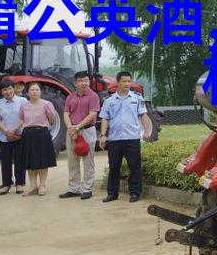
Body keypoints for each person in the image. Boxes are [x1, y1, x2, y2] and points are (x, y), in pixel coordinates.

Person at [99, 71, 150, 203]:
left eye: (129, 81)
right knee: (114, 167)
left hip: (131, 138)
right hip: (114, 139)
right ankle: (112, 193)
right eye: (124, 81)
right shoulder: (109, 100)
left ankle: (135, 193)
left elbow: (143, 115)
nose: (127, 84)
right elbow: (105, 118)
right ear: (118, 83)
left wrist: (146, 131)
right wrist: (103, 135)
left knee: (134, 166)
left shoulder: (137, 98)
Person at [60, 71, 100, 200]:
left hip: (87, 130)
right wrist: (70, 128)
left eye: (86, 80)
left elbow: (93, 114)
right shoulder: (70, 97)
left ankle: (87, 189)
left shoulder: (93, 96)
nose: (84, 83)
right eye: (81, 81)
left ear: (89, 81)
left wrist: (77, 127)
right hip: (72, 131)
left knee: (88, 161)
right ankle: (74, 188)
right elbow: (66, 114)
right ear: (75, 83)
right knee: (72, 161)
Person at [18, 83, 58, 195]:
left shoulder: (47, 104)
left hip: (42, 134)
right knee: (29, 161)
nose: (34, 92)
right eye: (32, 90)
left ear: (40, 92)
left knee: (42, 161)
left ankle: (42, 185)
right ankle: (33, 186)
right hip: (28, 134)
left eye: (37, 89)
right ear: (28, 92)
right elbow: (21, 118)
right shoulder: (24, 105)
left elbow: (52, 118)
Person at [0, 78, 26, 195]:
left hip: (20, 135)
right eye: (4, 90)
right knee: (5, 161)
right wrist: (6, 131)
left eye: (10, 88)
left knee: (20, 160)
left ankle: (20, 183)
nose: (7, 91)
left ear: (14, 89)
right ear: (1, 91)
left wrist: (14, 130)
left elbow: (24, 118)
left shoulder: (22, 101)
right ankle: (6, 184)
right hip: (4, 136)